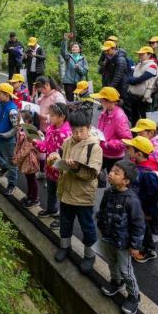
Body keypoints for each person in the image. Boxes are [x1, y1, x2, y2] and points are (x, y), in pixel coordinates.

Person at [47, 110, 103, 274]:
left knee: (87, 227)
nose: (78, 134)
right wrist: (54, 158)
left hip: (83, 196)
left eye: (81, 131)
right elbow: (60, 156)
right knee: (65, 222)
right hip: (66, 192)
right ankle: (65, 246)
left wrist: (76, 167)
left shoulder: (94, 147)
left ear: (89, 128)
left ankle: (89, 255)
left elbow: (92, 174)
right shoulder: (68, 141)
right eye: (75, 131)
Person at [96, 160, 144, 314]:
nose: (110, 173)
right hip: (108, 237)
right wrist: (101, 225)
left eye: (116, 173)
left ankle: (134, 295)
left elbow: (138, 225)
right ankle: (116, 283)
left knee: (126, 270)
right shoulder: (108, 193)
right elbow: (102, 210)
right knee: (112, 262)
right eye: (112, 170)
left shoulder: (131, 200)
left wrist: (135, 245)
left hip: (123, 243)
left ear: (126, 181)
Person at [122, 136, 158, 264]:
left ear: (138, 154)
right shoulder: (139, 165)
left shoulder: (148, 172)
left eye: (129, 149)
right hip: (136, 206)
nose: (127, 150)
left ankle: (150, 250)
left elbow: (152, 195)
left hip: (143, 209)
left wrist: (149, 213)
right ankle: (137, 246)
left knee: (144, 229)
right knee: (137, 227)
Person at [35, 103, 71, 221]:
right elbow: (45, 145)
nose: (49, 117)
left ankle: (63, 219)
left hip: (61, 169)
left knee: (63, 194)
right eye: (50, 114)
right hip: (50, 167)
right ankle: (51, 209)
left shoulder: (67, 133)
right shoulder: (51, 128)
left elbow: (68, 154)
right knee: (51, 189)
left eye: (53, 115)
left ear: (62, 117)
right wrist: (36, 142)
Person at [0, 83, 20, 196]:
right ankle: (4, 166)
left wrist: (6, 135)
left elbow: (16, 128)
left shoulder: (12, 111)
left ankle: (12, 184)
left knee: (12, 163)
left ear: (7, 95)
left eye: (0, 93)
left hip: (7, 140)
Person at [92, 87, 132, 178]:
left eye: (101, 100)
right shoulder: (105, 111)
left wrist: (108, 144)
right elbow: (101, 130)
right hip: (103, 152)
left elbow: (127, 140)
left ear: (109, 101)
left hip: (114, 156)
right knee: (95, 176)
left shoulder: (119, 117)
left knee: (114, 180)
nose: (100, 101)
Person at [13, 110, 41, 208]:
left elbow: (26, 148)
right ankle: (29, 195)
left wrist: (17, 157)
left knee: (32, 179)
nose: (17, 120)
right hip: (25, 159)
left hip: (30, 159)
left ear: (28, 121)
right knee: (28, 178)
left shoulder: (30, 131)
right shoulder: (21, 130)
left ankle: (35, 198)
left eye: (19, 119)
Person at [125, 46, 158, 126]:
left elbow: (142, 78)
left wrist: (132, 80)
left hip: (143, 97)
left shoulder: (152, 65)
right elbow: (130, 75)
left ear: (149, 54)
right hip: (133, 95)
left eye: (142, 54)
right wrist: (131, 80)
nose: (139, 55)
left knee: (145, 118)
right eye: (139, 54)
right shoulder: (139, 64)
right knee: (134, 117)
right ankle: (135, 135)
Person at [60, 33, 89, 101]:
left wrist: (79, 68)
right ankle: (70, 111)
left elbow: (85, 71)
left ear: (79, 50)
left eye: (76, 47)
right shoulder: (68, 57)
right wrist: (65, 40)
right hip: (68, 82)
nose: (74, 48)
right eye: (73, 47)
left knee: (81, 100)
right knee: (70, 100)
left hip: (79, 83)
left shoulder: (83, 59)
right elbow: (63, 51)